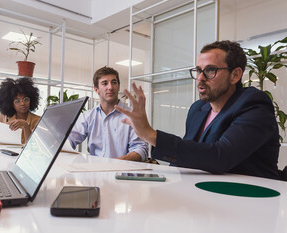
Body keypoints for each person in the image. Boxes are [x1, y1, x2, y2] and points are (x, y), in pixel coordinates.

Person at [116, 40, 280, 179]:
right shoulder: (198, 108)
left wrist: (150, 135)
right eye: (198, 71)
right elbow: (187, 156)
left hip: (252, 203)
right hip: (205, 198)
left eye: (210, 70)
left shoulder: (254, 104)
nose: (200, 78)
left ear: (235, 75)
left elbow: (220, 157)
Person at [68, 66, 148, 161]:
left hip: (122, 172)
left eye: (114, 82)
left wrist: (116, 163)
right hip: (95, 172)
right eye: (105, 83)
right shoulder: (88, 116)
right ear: (96, 90)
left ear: (118, 87)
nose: (110, 87)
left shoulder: (131, 116)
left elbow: (140, 149)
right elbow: (69, 141)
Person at [0, 77, 40, 145]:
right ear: (11, 103)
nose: (22, 103)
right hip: (2, 154)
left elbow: (34, 146)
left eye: (26, 99)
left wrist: (25, 125)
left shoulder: (38, 121)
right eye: (17, 101)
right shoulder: (2, 117)